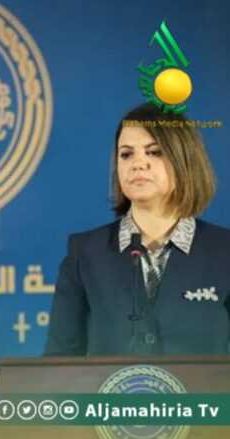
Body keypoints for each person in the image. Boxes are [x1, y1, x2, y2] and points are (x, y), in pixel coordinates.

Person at [45, 103, 230, 356]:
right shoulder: (85, 253)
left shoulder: (224, 251)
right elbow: (59, 361)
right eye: (126, 154)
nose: (138, 163)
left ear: (184, 160)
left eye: (154, 152)